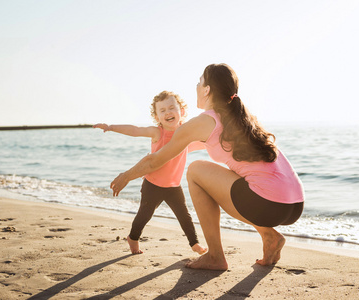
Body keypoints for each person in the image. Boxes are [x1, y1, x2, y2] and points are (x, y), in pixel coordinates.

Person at [110, 64, 304, 270]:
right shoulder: (242, 117)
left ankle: (215, 256)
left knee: (195, 171)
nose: (196, 86)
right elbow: (184, 148)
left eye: (199, 82)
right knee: (237, 174)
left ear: (207, 90)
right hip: (295, 205)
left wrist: (126, 175)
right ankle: (269, 236)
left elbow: (155, 160)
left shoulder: (204, 121)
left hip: (268, 205)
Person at [94, 91, 207, 255]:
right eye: (162, 110)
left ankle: (194, 243)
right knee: (144, 215)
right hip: (152, 185)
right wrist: (111, 127)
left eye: (171, 108)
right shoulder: (157, 133)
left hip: (174, 187)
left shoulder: (185, 134)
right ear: (157, 117)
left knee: (184, 216)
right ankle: (133, 238)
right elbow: (135, 130)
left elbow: (203, 142)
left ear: (181, 111)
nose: (168, 112)